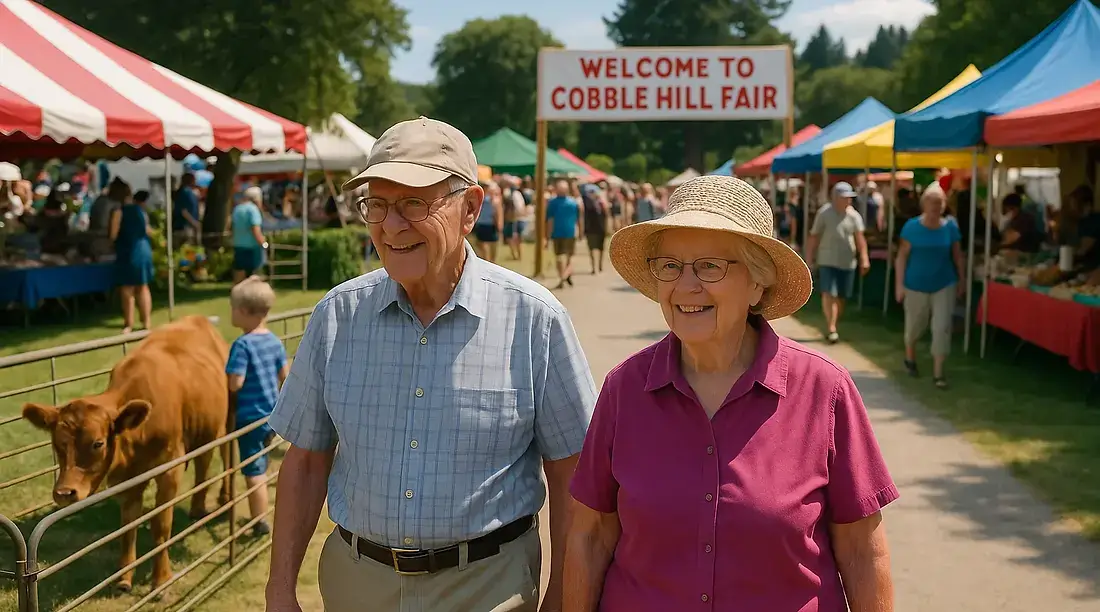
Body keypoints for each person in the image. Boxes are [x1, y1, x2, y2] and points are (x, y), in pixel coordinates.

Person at [264, 116, 597, 612]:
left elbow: (574, 474)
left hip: (489, 589)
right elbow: (307, 461)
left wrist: (563, 598)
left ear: (470, 208)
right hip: (358, 586)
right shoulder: (338, 315)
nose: (392, 226)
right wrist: (279, 589)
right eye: (376, 205)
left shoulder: (534, 318)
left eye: (414, 203)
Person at [565, 175, 898, 612]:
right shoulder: (624, 388)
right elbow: (590, 536)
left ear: (758, 283)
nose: (685, 286)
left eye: (710, 266)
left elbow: (862, 551)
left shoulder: (823, 390)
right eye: (670, 266)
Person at [226, 276, 290, 537]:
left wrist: (228, 376)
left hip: (250, 417)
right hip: (270, 414)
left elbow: (235, 383)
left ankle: (259, 521)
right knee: (262, 462)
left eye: (232, 308)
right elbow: (285, 375)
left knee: (253, 471)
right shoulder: (273, 341)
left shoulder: (242, 345)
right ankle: (263, 510)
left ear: (242, 311)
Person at [894, 189, 965, 389]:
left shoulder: (950, 227)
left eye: (940, 203)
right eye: (933, 203)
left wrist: (962, 280)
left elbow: (958, 256)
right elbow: (901, 257)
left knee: (941, 327)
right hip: (915, 284)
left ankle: (938, 373)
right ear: (924, 205)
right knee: (915, 326)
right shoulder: (912, 227)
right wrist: (899, 285)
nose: (936, 207)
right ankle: (910, 357)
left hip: (945, 283)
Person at [807, 182, 870, 344]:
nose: (848, 201)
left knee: (841, 297)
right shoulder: (824, 213)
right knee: (829, 293)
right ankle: (832, 328)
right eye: (845, 198)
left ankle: (832, 322)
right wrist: (809, 258)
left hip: (847, 262)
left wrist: (864, 258)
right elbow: (814, 236)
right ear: (835, 198)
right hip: (827, 260)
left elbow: (860, 239)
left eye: (850, 198)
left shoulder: (854, 216)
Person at [108, 180, 154, 333]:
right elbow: (148, 230)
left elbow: (113, 235)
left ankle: (129, 323)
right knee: (143, 286)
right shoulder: (141, 210)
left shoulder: (119, 211)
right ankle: (146, 322)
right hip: (144, 249)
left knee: (127, 289)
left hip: (128, 250)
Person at [546, 177, 583, 289]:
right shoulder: (573, 202)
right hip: (570, 232)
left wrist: (547, 236)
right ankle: (565, 275)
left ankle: (563, 276)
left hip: (559, 233)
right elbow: (579, 219)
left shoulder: (552, 203)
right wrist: (581, 231)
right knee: (569, 257)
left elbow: (550, 220)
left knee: (559, 257)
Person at [231, 186, 269, 284]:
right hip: (252, 246)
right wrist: (264, 244)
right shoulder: (253, 210)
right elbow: (255, 229)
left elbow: (231, 226)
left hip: (238, 244)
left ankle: (237, 292)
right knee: (255, 274)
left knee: (239, 272)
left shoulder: (237, 209)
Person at [581, 184, 610, 274]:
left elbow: (607, 215)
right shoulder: (586, 204)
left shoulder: (602, 204)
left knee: (600, 247)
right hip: (591, 228)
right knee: (592, 248)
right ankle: (594, 267)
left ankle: (599, 265)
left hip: (600, 228)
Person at [472, 181, 503, 262]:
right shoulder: (492, 200)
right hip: (486, 224)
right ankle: (490, 261)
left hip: (486, 224)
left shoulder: (486, 199)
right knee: (486, 244)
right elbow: (498, 212)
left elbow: (497, 212)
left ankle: (489, 261)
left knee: (486, 244)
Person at [502, 177, 528, 260]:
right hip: (517, 218)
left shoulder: (511, 193)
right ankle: (516, 255)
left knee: (513, 237)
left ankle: (516, 255)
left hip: (513, 218)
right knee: (515, 238)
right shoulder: (517, 193)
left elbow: (519, 207)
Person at [173, 172, 202, 245]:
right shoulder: (185, 192)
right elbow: (183, 211)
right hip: (184, 227)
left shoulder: (190, 192)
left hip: (189, 226)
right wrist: (194, 223)